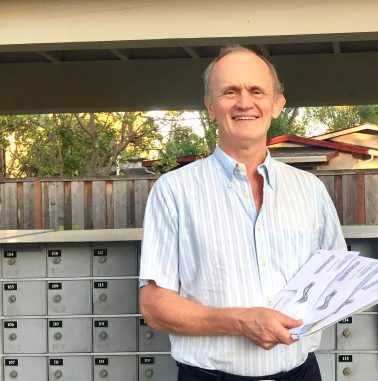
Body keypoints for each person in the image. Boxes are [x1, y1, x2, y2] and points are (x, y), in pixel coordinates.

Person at [138, 45, 346, 381]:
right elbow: (154, 307)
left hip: (301, 374)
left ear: (277, 103)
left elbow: (337, 279)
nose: (244, 103)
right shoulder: (173, 191)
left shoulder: (310, 190)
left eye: (256, 90)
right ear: (210, 105)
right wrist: (239, 321)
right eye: (230, 91)